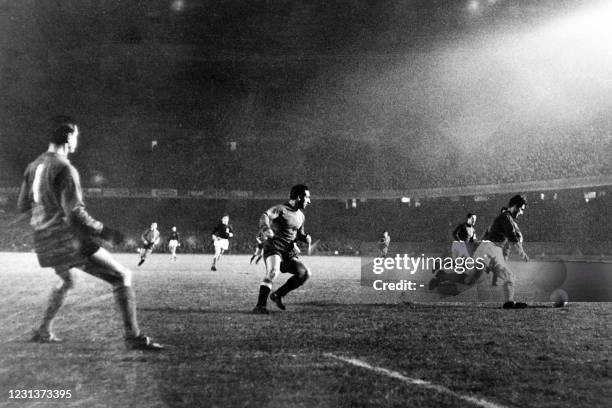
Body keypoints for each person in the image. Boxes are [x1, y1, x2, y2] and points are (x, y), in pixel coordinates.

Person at [17, 116, 162, 350]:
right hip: (67, 240)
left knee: (68, 280)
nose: (77, 141)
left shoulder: (33, 166)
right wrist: (108, 232)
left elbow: (23, 206)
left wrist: (45, 219)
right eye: (76, 136)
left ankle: (43, 330)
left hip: (43, 242)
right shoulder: (64, 168)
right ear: (68, 137)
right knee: (121, 276)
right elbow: (75, 214)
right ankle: (133, 337)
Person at [252, 184, 312, 314]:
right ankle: (260, 306)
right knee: (273, 272)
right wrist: (265, 229)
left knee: (305, 273)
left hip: (287, 252)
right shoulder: (281, 209)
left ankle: (278, 295)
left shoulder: (301, 216)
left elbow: (297, 233)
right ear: (299, 197)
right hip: (273, 248)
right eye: (307, 197)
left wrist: (305, 237)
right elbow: (265, 216)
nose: (309, 201)